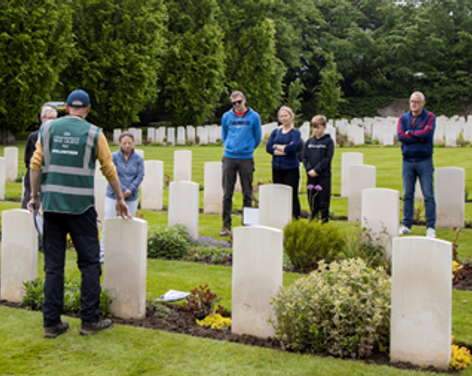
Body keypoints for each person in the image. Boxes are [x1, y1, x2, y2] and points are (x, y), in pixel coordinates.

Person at [28, 89, 131, 339]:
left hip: (52, 206)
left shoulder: (48, 129)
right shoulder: (95, 133)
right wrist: (119, 198)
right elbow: (109, 168)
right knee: (89, 263)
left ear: (66, 107)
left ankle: (51, 323)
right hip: (81, 208)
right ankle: (89, 320)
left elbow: (35, 164)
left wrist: (35, 197)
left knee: (53, 267)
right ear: (88, 108)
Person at [220, 91, 262, 236]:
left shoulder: (254, 117)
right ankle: (226, 224)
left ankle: (247, 223)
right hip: (229, 157)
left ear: (244, 100)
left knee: (247, 192)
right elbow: (224, 135)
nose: (237, 105)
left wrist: (247, 148)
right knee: (227, 193)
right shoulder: (227, 116)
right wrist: (230, 146)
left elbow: (257, 137)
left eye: (239, 102)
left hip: (246, 158)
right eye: (234, 103)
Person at [100, 131, 144, 263]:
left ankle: (125, 254)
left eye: (129, 142)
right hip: (113, 195)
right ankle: (103, 254)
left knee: (128, 223)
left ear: (133, 143)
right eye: (124, 142)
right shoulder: (113, 157)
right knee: (109, 223)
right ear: (119, 143)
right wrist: (121, 191)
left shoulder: (138, 159)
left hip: (131, 196)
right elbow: (112, 174)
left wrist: (130, 189)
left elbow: (140, 176)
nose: (127, 145)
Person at [397, 91, 436, 238]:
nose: (413, 104)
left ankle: (430, 226)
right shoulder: (403, 118)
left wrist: (410, 134)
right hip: (407, 160)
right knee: (407, 194)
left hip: (424, 160)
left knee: (428, 194)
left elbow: (427, 133)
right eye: (412, 101)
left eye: (417, 102)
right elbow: (401, 135)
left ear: (423, 103)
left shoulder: (430, 117)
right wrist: (417, 136)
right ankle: (406, 224)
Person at [266, 106, 302, 219]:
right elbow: (268, 148)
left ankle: (295, 218)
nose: (284, 118)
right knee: (279, 194)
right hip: (277, 168)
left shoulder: (295, 133)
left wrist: (277, 147)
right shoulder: (276, 132)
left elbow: (292, 148)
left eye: (286, 116)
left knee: (292, 195)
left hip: (291, 168)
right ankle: (280, 217)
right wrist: (281, 149)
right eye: (281, 116)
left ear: (291, 116)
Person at [22, 106, 58, 209]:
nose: (52, 121)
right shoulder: (33, 137)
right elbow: (27, 160)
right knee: (28, 206)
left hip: (50, 178)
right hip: (33, 178)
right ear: (42, 119)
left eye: (54, 118)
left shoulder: (58, 138)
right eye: (49, 118)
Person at [302, 115, 334, 222]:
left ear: (324, 127)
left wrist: (317, 170)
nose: (316, 130)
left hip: (323, 176)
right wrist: (309, 169)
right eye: (314, 128)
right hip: (311, 175)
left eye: (318, 128)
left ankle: (324, 220)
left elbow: (327, 158)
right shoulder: (309, 142)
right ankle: (313, 218)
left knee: (323, 200)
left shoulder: (328, 142)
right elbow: (304, 157)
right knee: (312, 199)